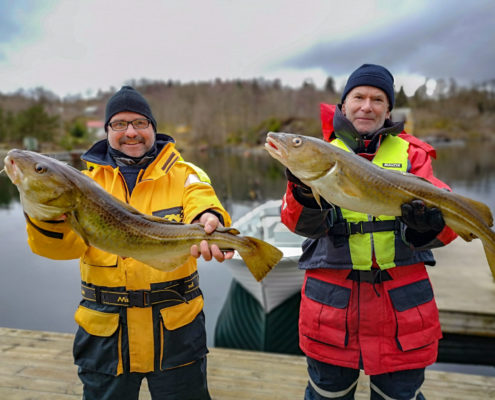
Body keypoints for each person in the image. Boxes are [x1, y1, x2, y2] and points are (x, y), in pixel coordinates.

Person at [24, 86, 233, 399]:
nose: (131, 132)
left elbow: (203, 200)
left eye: (140, 123)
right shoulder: (84, 184)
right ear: (108, 130)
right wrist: (45, 212)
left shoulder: (185, 174)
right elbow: (59, 248)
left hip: (176, 332)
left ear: (153, 128)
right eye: (120, 124)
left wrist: (209, 218)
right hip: (106, 336)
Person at [280, 64, 458, 400]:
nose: (367, 105)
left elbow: (446, 229)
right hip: (331, 311)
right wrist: (304, 195)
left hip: (401, 311)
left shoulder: (412, 154)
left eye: (378, 99)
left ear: (388, 109)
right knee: (326, 395)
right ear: (343, 105)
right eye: (358, 96)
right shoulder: (318, 151)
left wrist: (425, 230)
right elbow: (295, 223)